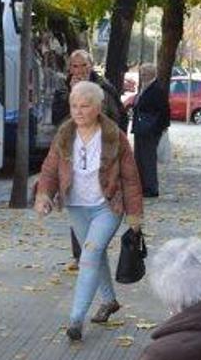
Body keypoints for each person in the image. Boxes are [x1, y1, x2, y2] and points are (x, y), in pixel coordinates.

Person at [35, 81, 143, 341]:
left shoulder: (113, 136)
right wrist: (43, 194)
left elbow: (130, 177)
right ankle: (109, 300)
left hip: (108, 206)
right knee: (93, 253)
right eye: (74, 106)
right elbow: (50, 168)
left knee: (90, 254)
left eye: (84, 106)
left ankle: (75, 319)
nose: (78, 111)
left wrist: (135, 215)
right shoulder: (64, 134)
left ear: (98, 107)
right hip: (76, 206)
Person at [52, 49, 127, 270]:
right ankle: (81, 254)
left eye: (83, 66)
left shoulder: (104, 87)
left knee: (98, 202)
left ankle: (93, 251)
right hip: (72, 155)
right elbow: (57, 118)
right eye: (74, 66)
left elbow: (118, 117)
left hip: (100, 156)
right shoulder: (62, 89)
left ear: (90, 66)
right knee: (77, 203)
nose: (79, 71)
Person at [130, 64, 169, 198]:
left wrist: (158, 129)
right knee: (139, 158)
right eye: (142, 73)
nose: (143, 75)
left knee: (148, 160)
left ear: (153, 74)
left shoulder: (157, 89)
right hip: (141, 129)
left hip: (150, 130)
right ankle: (142, 185)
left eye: (145, 73)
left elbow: (164, 111)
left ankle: (151, 188)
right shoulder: (145, 87)